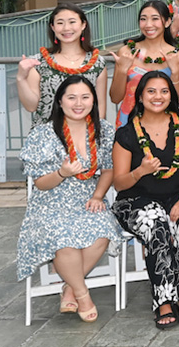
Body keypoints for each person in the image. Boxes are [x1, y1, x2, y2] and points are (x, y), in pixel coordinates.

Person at [17, 76, 122, 322]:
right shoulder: (44, 134)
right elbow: (40, 184)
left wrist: (98, 196)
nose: (78, 103)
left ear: (93, 101)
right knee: (64, 238)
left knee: (103, 231)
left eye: (85, 97)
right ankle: (82, 293)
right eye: (71, 97)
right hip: (51, 200)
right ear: (60, 102)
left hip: (87, 198)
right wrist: (62, 173)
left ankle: (69, 286)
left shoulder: (104, 130)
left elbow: (108, 169)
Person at [112, 71, 179, 329]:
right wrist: (141, 171)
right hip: (136, 200)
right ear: (140, 97)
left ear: (170, 96)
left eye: (164, 91)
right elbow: (119, 182)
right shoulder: (127, 134)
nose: (158, 96)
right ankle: (163, 299)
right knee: (156, 223)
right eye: (151, 91)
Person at [17, 4, 108, 125]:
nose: (66, 28)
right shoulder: (39, 62)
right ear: (53, 27)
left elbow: (100, 106)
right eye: (60, 23)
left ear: (83, 25)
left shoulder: (97, 63)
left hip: (84, 137)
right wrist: (21, 78)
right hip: (47, 138)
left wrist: (94, 137)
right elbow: (31, 106)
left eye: (72, 22)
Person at [109, 0, 179, 128]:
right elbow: (115, 98)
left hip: (163, 124)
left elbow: (177, 100)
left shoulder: (177, 56)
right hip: (128, 122)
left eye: (155, 19)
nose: (148, 24)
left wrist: (175, 72)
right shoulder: (126, 52)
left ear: (167, 22)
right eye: (143, 19)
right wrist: (123, 70)